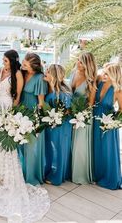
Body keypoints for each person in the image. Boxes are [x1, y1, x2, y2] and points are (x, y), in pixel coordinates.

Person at [0, 50, 50, 221]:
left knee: (0, 142)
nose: (2, 62)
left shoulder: (17, 73)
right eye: (1, 60)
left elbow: (17, 96)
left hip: (6, 109)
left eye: (4, 60)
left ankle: (4, 175)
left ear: (11, 60)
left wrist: (10, 114)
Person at [19, 53, 48, 185]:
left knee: (31, 147)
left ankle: (31, 175)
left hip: (33, 114)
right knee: (20, 144)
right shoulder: (22, 74)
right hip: (20, 112)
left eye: (25, 64)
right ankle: (21, 173)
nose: (22, 65)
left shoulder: (39, 78)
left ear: (33, 66)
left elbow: (41, 102)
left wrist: (36, 120)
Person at [70, 52, 97, 184]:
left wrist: (81, 116)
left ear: (87, 64)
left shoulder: (91, 80)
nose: (78, 64)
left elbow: (91, 103)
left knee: (80, 145)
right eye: (78, 61)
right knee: (70, 144)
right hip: (71, 113)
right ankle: (69, 172)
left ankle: (80, 174)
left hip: (83, 116)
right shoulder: (73, 73)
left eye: (81, 62)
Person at [93, 63, 122, 189]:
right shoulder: (100, 83)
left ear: (113, 75)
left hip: (107, 123)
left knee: (107, 150)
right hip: (95, 119)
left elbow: (121, 109)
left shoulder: (118, 90)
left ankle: (109, 178)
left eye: (107, 73)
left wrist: (113, 122)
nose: (103, 74)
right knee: (96, 148)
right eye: (104, 72)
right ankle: (97, 175)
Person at [44, 64, 72, 185]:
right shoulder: (49, 88)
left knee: (59, 148)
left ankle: (58, 175)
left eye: (48, 71)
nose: (45, 72)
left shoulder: (63, 92)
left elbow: (67, 110)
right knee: (51, 148)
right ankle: (50, 170)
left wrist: (56, 118)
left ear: (54, 75)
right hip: (51, 124)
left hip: (61, 125)